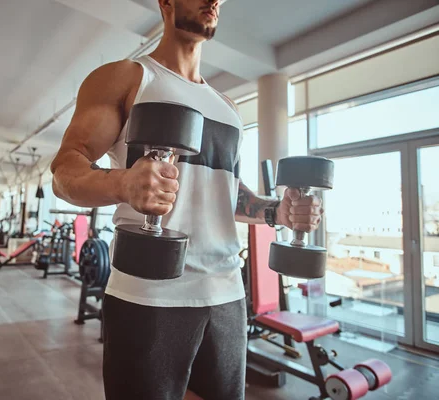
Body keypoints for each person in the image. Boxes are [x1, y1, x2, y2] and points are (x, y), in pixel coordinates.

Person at [50, 0, 323, 399]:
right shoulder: (129, 77)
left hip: (227, 294)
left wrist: (275, 210)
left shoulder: (228, 108)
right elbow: (64, 171)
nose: (214, 1)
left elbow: (228, 193)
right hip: (148, 294)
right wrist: (123, 184)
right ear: (165, 2)